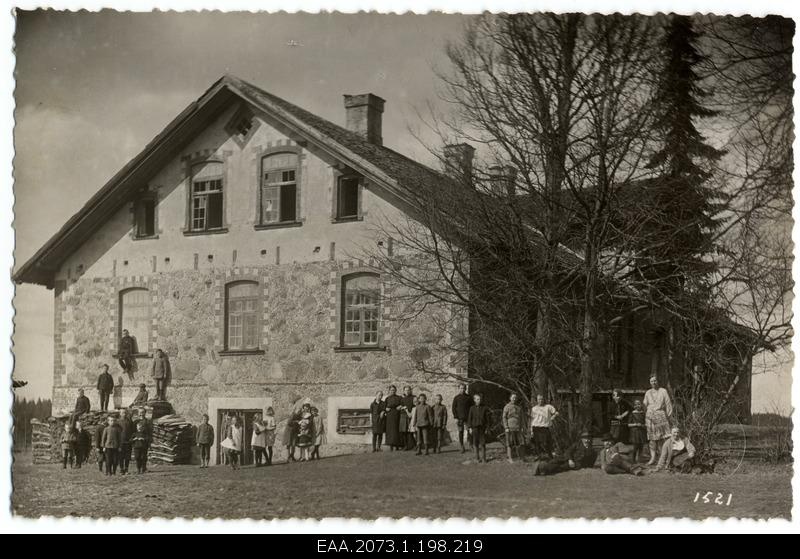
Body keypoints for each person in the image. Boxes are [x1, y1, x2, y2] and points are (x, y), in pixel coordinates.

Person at [643, 375, 673, 465]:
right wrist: (647, 414)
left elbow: (668, 404)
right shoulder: (648, 393)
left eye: (655, 380)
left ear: (658, 381)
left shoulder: (663, 391)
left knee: (661, 438)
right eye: (652, 381)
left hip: (660, 416)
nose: (654, 382)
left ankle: (662, 457)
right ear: (650, 382)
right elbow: (644, 405)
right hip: (650, 418)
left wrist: (669, 416)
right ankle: (652, 458)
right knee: (652, 439)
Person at [530, 394, 558, 458]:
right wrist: (531, 430)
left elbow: (556, 413)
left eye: (542, 399)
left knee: (546, 442)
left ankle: (550, 456)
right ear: (537, 400)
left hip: (545, 427)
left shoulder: (548, 407)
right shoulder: (534, 408)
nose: (540, 400)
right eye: (539, 399)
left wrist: (553, 417)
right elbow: (532, 419)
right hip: (536, 427)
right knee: (537, 443)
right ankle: (539, 456)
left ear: (543, 399)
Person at [466, 393, 492, 463]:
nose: (478, 401)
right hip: (474, 428)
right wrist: (470, 428)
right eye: (477, 399)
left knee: (483, 443)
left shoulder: (484, 408)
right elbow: (469, 419)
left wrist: (487, 428)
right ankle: (477, 458)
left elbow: (487, 420)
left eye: (479, 399)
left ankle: (483, 458)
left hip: (482, 428)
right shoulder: (472, 408)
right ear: (474, 400)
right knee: (475, 443)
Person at [502, 393, 525, 463]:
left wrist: (521, 427)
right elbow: (504, 417)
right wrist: (506, 427)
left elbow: (521, 418)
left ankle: (521, 458)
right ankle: (510, 458)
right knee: (510, 443)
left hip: (517, 428)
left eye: (515, 398)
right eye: (513, 398)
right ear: (510, 398)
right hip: (509, 428)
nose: (514, 399)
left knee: (519, 443)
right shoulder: (507, 407)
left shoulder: (518, 408)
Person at [451, 383, 473, 453]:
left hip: (468, 417)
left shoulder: (469, 397)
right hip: (459, 418)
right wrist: (456, 417)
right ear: (458, 389)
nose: (462, 389)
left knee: (470, 431)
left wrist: (471, 416)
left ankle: (471, 445)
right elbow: (453, 408)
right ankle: (462, 446)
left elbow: (472, 407)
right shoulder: (456, 398)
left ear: (465, 389)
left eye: (463, 388)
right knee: (461, 432)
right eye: (461, 388)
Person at [384, 385, 403, 451]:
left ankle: (397, 445)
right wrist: (386, 409)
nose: (393, 391)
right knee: (390, 430)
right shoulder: (387, 398)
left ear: (396, 390)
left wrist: (400, 406)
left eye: (394, 390)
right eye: (391, 390)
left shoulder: (399, 397)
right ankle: (391, 445)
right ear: (389, 391)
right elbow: (384, 407)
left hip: (397, 415)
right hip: (389, 416)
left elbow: (402, 403)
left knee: (396, 429)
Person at [117, 409, 135, 475]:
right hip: (120, 441)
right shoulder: (117, 422)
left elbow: (133, 431)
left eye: (125, 413)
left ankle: (126, 469)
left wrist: (131, 438)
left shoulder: (129, 421)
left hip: (128, 441)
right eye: (122, 413)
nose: (124, 414)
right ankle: (121, 469)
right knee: (121, 456)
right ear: (120, 414)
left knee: (127, 456)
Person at [400, 386, 416, 450]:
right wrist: (403, 408)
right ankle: (406, 445)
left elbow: (415, 406)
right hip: (404, 416)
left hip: (412, 416)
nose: (407, 391)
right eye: (406, 390)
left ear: (410, 391)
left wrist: (411, 413)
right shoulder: (402, 399)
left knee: (412, 431)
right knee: (404, 431)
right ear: (404, 391)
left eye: (408, 390)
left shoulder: (413, 398)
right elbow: (401, 406)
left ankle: (414, 445)